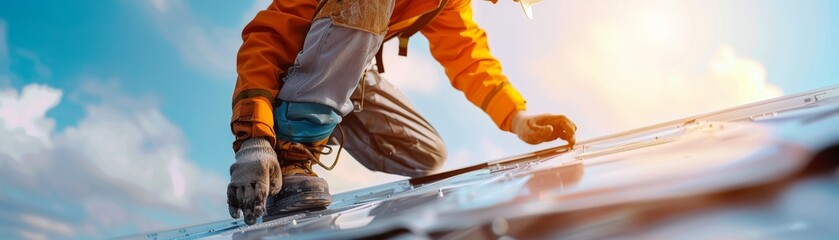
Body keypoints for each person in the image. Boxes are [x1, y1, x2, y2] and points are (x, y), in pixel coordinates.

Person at [226, 0, 577, 225]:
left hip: (350, 71)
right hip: (300, 64)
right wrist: (254, 139)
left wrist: (517, 117)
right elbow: (267, 38)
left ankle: (323, 109)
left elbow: (467, 55)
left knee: (427, 155)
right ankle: (290, 154)